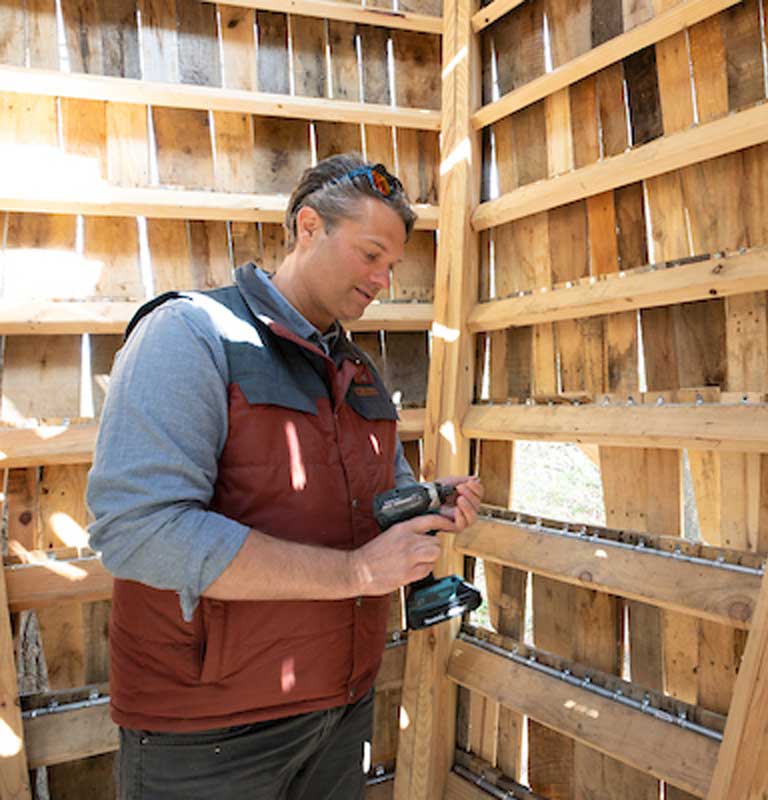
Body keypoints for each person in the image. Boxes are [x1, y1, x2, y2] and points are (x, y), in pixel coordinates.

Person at [86, 154, 483, 800]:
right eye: (370, 254)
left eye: (392, 266)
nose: (383, 279)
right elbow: (138, 531)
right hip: (209, 736)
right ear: (307, 227)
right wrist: (357, 573)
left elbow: (378, 501)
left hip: (340, 710)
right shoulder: (191, 334)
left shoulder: (357, 372)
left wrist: (430, 504)